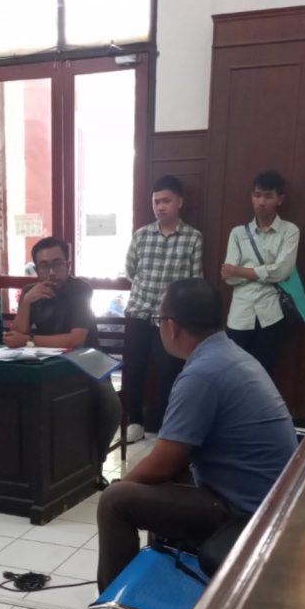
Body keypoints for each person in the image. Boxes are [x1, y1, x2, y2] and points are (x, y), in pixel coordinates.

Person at [51, 277, 297, 609]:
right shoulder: (228, 354)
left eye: (158, 320)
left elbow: (163, 461)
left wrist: (123, 483)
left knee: (116, 501)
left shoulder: (202, 373)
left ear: (172, 326)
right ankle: (156, 602)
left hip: (246, 512)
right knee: (154, 487)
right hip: (269, 499)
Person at [5, 236, 121, 475]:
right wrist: (26, 302)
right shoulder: (31, 292)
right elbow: (16, 335)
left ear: (68, 265)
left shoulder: (80, 289)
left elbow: (76, 340)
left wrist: (28, 341)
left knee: (109, 404)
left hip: (88, 359)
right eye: (44, 266)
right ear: (36, 268)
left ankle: (96, 465)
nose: (51, 272)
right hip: (46, 360)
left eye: (57, 264)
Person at [124, 175, 203, 443]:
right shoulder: (141, 235)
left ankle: (165, 426)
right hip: (138, 312)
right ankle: (135, 421)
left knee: (169, 370)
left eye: (166, 201)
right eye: (156, 202)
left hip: (170, 318)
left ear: (179, 202)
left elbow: (195, 279)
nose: (160, 207)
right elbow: (130, 270)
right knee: (134, 368)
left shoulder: (193, 238)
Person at [221, 170, 300, 378]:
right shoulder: (238, 233)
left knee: (264, 376)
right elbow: (228, 277)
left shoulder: (290, 231)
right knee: (232, 374)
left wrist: (239, 270)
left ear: (280, 199)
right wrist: (266, 270)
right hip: (240, 314)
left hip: (271, 314)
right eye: (257, 195)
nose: (261, 202)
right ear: (252, 197)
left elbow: (282, 271)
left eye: (268, 196)